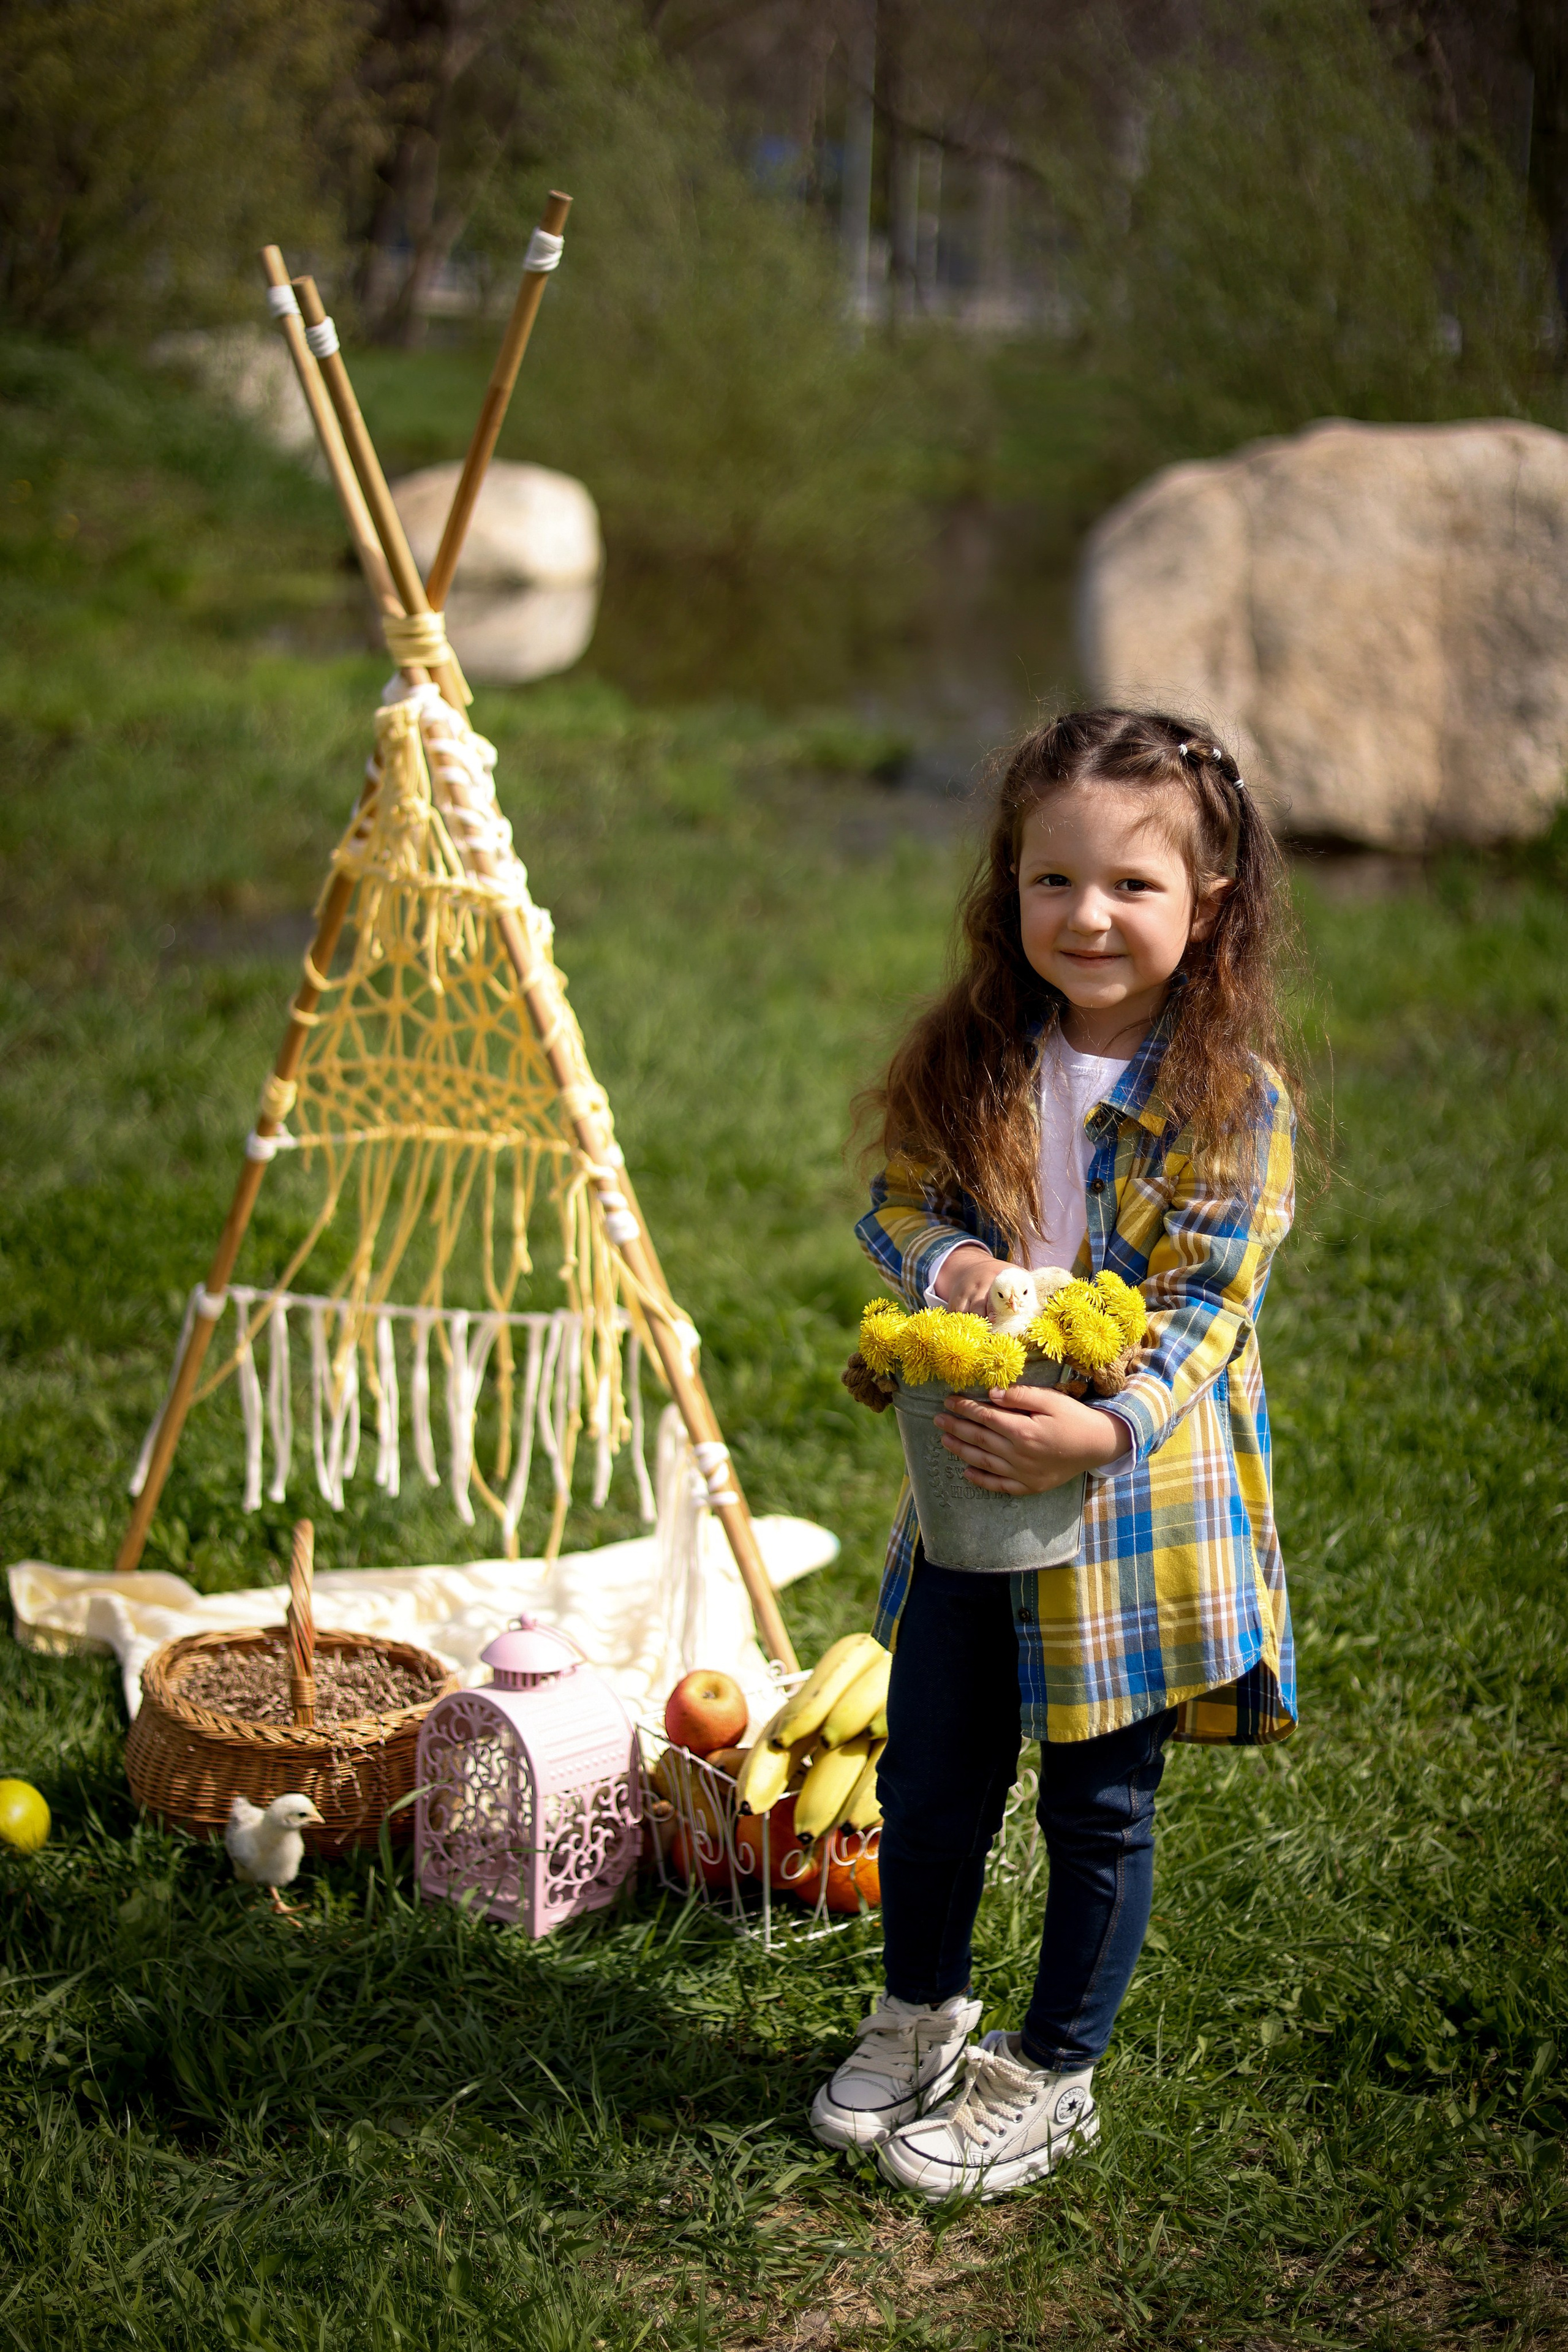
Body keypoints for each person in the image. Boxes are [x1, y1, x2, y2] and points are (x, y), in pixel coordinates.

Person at [812, 708, 1300, 2200]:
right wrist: (955, 1267)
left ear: (1206, 904)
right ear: (1007, 885)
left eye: (1130, 885)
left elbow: (1208, 1305)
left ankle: (1052, 2069)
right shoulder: (976, 1058)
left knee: (1097, 1800)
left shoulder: (1230, 1099)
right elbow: (899, 1204)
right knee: (932, 1765)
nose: (1086, 916)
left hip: (1127, 1495)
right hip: (970, 1479)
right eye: (1051, 880)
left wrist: (1102, 1425)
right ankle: (920, 2010)